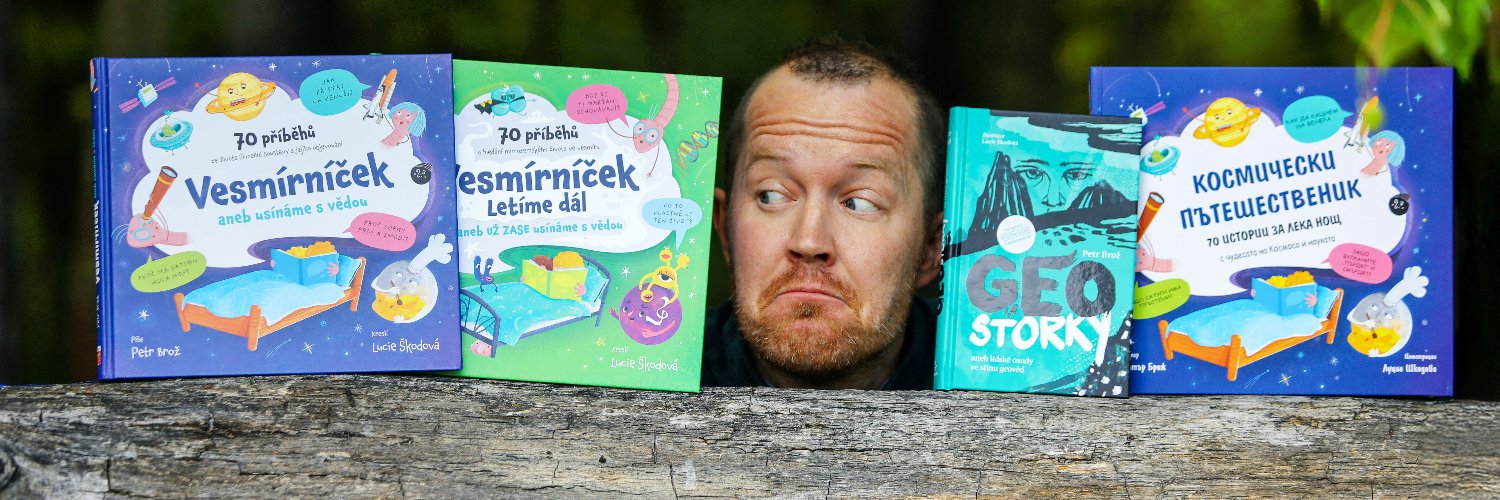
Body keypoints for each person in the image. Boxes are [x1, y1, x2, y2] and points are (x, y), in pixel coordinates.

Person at [703, 36, 945, 389]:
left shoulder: (1000, 381)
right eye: (771, 196)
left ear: (931, 248)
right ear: (725, 228)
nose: (809, 241)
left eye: (860, 203)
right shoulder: (640, 361)